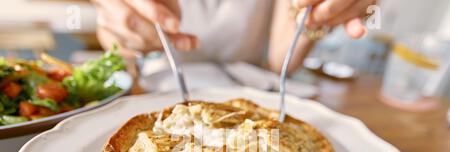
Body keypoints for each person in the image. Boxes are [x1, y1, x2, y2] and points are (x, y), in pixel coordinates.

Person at [92, 0, 376, 73]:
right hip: (154, 87)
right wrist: (124, 34)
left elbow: (281, 61)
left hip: (252, 97)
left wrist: (318, 17)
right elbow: (117, 44)